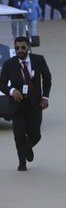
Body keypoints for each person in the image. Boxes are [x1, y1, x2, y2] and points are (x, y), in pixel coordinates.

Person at [0, 36, 52, 171]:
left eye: (23, 47)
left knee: (35, 135)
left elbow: (47, 79)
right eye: (17, 48)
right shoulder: (9, 64)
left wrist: (45, 97)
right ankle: (22, 162)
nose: (20, 50)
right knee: (19, 135)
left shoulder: (38, 60)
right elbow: (2, 84)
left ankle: (27, 148)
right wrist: (12, 91)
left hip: (35, 103)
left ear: (28, 47)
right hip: (17, 105)